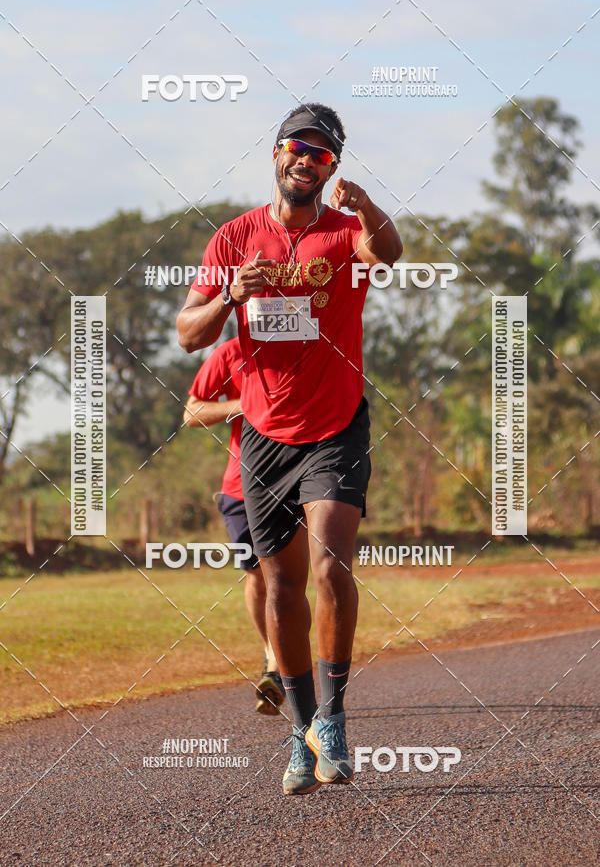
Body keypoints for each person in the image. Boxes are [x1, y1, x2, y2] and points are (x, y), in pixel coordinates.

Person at [177, 102, 402, 795]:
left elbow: (387, 255)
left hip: (335, 424)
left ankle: (332, 720)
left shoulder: (343, 232)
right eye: (297, 147)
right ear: (276, 154)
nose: (307, 160)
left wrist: (368, 210)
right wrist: (227, 300)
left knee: (332, 567)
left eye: (323, 154)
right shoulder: (234, 238)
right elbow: (188, 334)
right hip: (265, 438)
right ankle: (301, 734)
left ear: (332, 167)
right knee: (279, 585)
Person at [183, 336, 285, 716]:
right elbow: (192, 412)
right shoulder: (229, 353)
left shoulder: (309, 340)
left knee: (289, 576)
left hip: (299, 483)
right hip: (241, 487)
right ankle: (273, 656)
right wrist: (245, 404)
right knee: (258, 575)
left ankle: (283, 667)